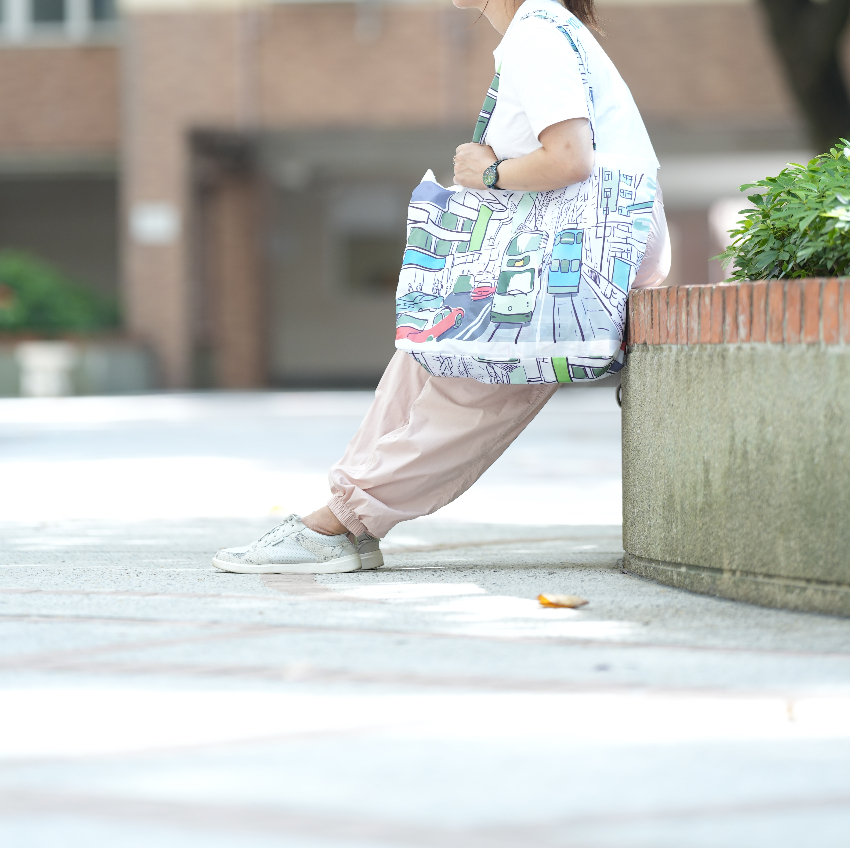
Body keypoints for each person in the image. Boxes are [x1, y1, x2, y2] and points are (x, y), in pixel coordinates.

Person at [212, 0, 670, 575]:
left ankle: (345, 523)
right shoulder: (541, 31)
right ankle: (344, 513)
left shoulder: (538, 34)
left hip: (564, 263)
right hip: (554, 255)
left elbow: (572, 158)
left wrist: (489, 173)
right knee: (425, 355)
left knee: (469, 395)